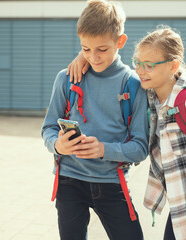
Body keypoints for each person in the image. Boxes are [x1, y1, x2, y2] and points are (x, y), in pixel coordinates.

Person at [68, 26, 186, 240]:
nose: (140, 71)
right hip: (182, 211)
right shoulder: (154, 100)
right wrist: (83, 57)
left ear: (173, 65)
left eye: (148, 65)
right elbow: (107, 57)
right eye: (137, 63)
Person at [41, 1, 149, 239]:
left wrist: (103, 149)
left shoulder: (133, 84)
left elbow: (141, 148)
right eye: (85, 49)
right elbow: (48, 128)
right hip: (69, 181)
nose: (93, 57)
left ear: (120, 42)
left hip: (112, 182)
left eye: (102, 49)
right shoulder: (66, 78)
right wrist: (57, 144)